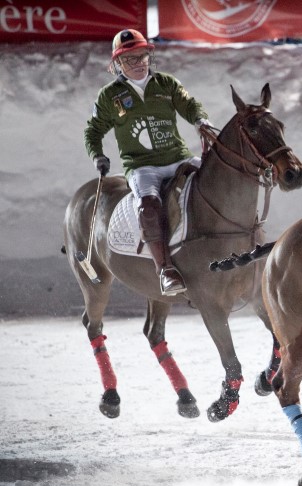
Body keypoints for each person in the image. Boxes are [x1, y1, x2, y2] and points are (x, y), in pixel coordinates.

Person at [84, 29, 212, 296]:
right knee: (149, 207)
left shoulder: (166, 83)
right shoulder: (110, 96)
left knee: (216, 179)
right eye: (130, 59)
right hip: (143, 167)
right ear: (117, 63)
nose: (139, 63)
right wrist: (98, 155)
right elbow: (93, 131)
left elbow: (190, 106)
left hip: (179, 159)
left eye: (142, 56)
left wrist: (201, 121)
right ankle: (165, 269)